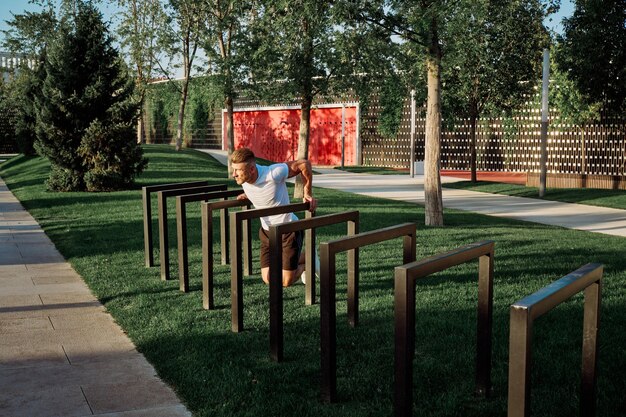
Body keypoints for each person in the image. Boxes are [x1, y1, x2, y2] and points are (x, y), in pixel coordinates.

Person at [231, 147, 318, 287]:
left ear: (252, 169)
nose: (233, 174)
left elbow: (304, 164)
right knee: (268, 278)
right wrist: (249, 196)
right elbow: (261, 191)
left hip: (288, 230)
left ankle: (309, 261)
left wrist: (307, 193)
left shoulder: (273, 173)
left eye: (237, 170)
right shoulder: (245, 179)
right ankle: (305, 257)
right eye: (233, 169)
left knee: (285, 282)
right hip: (267, 232)